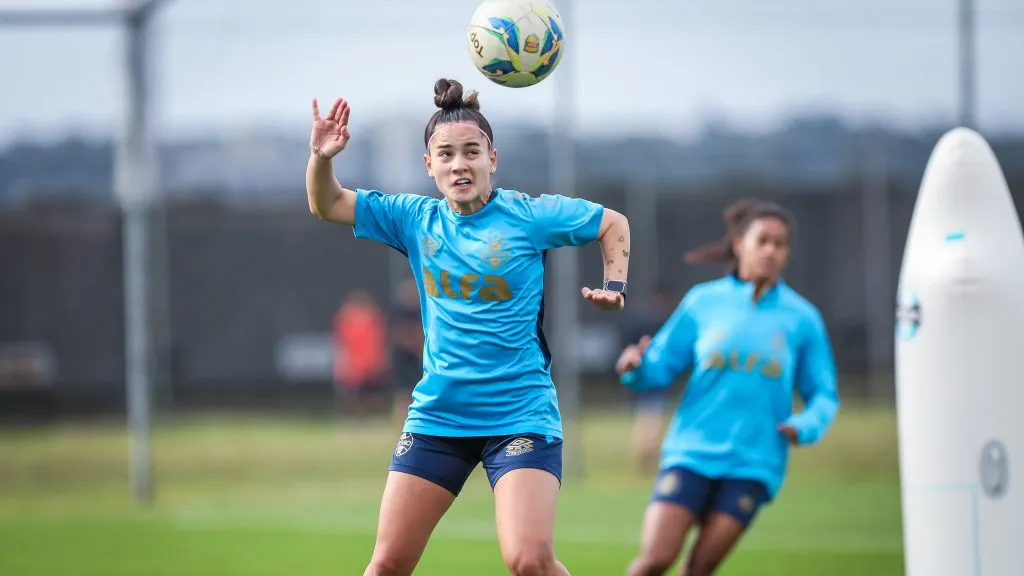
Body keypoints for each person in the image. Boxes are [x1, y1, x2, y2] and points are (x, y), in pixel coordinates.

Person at [306, 77, 631, 576]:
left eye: (472, 152)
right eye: (447, 154)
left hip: (519, 415)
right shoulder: (414, 218)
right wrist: (322, 158)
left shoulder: (529, 215)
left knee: (529, 560)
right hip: (440, 416)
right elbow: (327, 204)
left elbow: (613, 223)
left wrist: (615, 284)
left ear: (492, 159)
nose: (460, 164)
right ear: (429, 166)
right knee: (386, 564)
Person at [615, 199, 840, 576]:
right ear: (739, 245)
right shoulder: (704, 302)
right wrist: (634, 368)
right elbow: (660, 368)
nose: (771, 250)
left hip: (754, 464)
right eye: (763, 240)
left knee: (699, 569)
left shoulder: (802, 319)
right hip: (691, 453)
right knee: (654, 560)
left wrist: (807, 425)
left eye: (780, 243)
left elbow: (824, 394)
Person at [618, 280, 677, 474]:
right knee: (648, 421)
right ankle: (647, 457)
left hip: (655, 381)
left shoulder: (664, 323)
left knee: (652, 421)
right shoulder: (658, 323)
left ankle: (650, 456)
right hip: (647, 380)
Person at [388, 276, 424, 424]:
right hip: (405, 359)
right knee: (403, 395)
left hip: (419, 358)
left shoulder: (421, 310)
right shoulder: (400, 312)